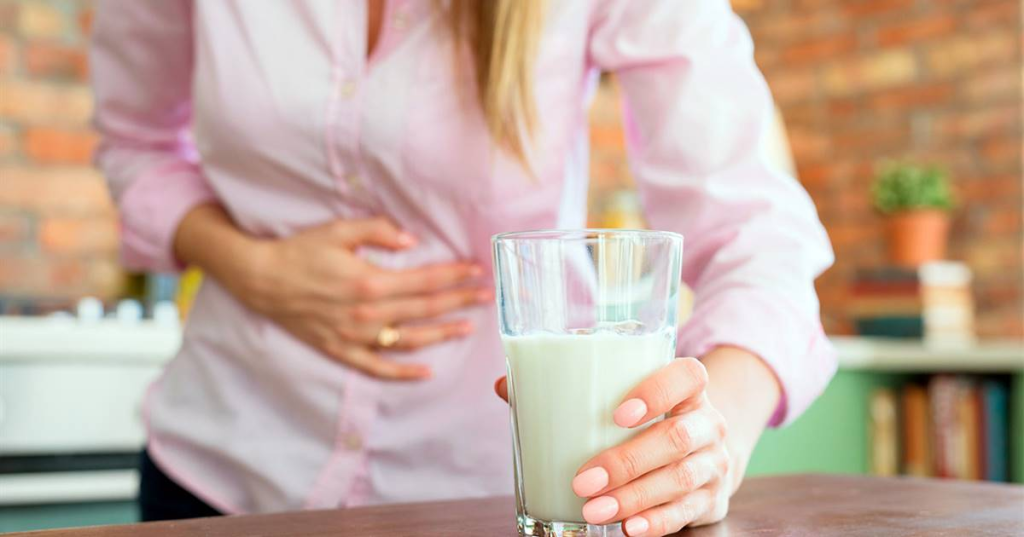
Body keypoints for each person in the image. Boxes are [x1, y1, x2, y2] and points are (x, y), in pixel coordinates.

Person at [91, 1, 836, 535]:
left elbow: (757, 234)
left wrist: (706, 441)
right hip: (221, 470)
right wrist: (251, 267)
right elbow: (136, 145)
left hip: (486, 498)